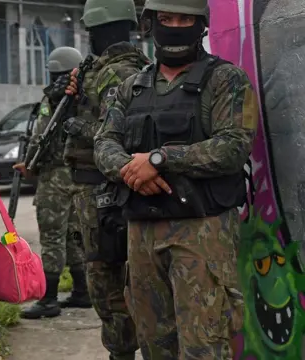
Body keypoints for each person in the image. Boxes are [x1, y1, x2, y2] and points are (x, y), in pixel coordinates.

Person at [92, 0, 257, 358]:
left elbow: (233, 146)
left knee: (204, 344)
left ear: (201, 26)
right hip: (142, 232)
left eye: (185, 19)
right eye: (166, 18)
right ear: (151, 24)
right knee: (154, 343)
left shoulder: (225, 79)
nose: (175, 26)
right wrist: (130, 171)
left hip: (202, 231)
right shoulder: (132, 86)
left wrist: (160, 159)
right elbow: (104, 142)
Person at [58, 0, 151, 358]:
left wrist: (78, 124)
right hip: (96, 187)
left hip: (104, 189)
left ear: (98, 30)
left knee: (107, 280)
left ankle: (122, 351)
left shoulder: (119, 72)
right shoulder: (107, 68)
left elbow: (122, 133)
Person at [13, 46, 92, 319]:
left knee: (52, 236)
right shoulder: (87, 97)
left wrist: (29, 164)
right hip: (79, 175)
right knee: (73, 235)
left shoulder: (54, 99)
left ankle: (48, 299)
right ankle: (83, 291)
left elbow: (41, 137)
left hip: (55, 177)